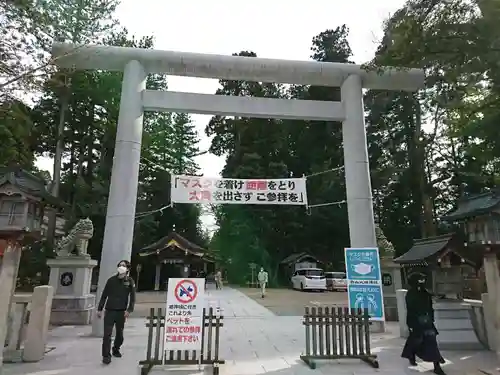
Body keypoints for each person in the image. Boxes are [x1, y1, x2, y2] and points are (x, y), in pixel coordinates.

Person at [401, 272, 446, 375]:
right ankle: (411, 354)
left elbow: (430, 307)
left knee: (432, 342)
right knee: (416, 340)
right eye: (420, 280)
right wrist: (411, 324)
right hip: (416, 322)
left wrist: (431, 318)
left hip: (427, 322)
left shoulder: (425, 293)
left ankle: (437, 365)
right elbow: (411, 310)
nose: (422, 282)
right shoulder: (410, 294)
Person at [97, 260, 136, 365]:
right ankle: (106, 356)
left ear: (128, 269)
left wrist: (129, 310)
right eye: (120, 265)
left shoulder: (130, 281)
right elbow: (104, 295)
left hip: (121, 312)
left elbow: (133, 297)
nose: (121, 267)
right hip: (109, 310)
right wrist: (100, 309)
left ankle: (116, 348)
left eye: (124, 266)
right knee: (107, 335)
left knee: (120, 334)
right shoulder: (111, 280)